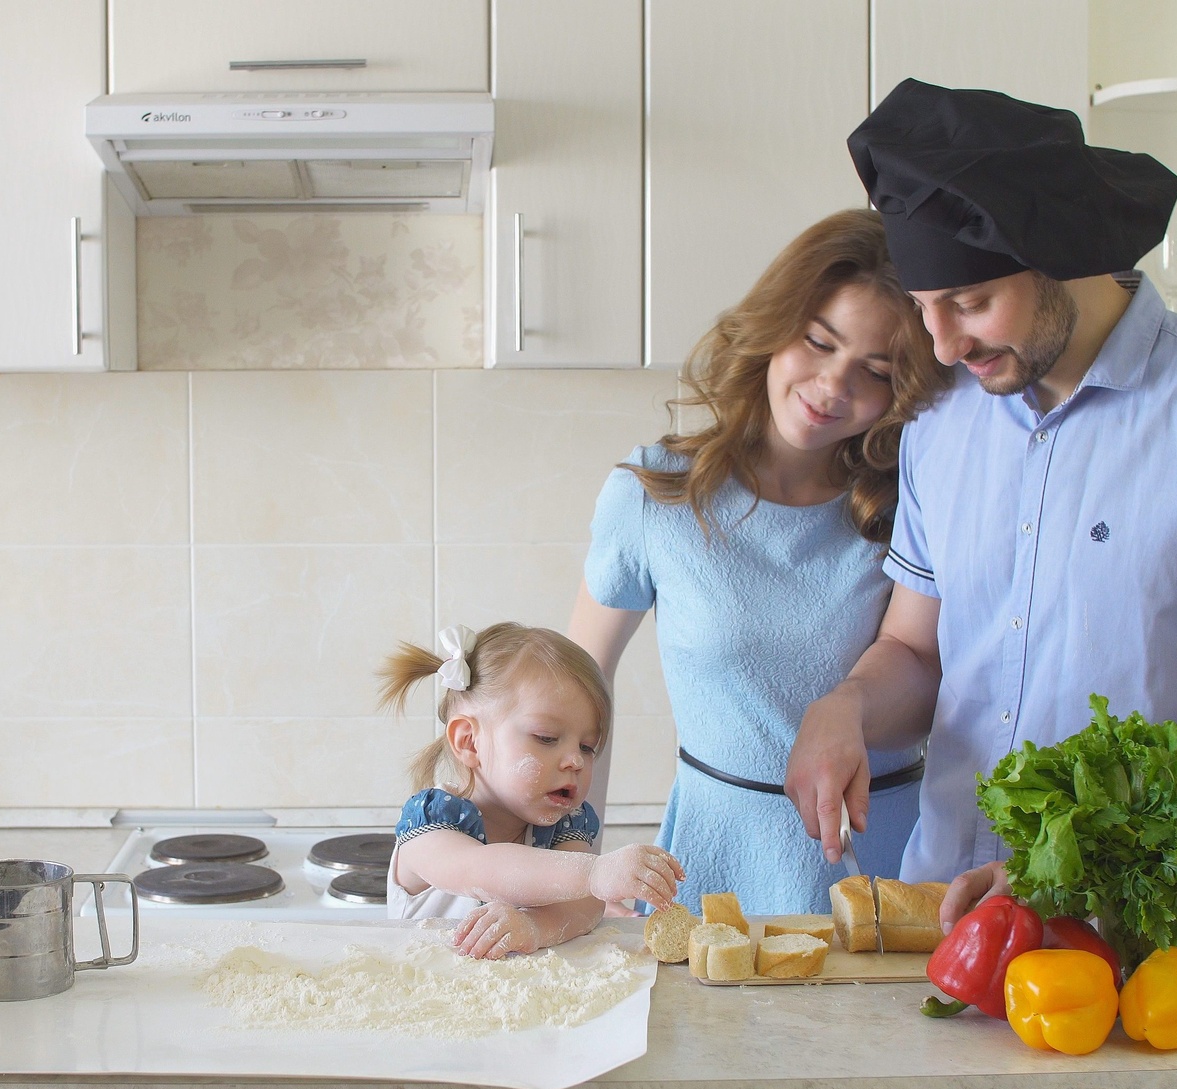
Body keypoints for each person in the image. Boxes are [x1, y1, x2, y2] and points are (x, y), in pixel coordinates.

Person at [786, 80, 1177, 929]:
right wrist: (842, 706)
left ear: (1065, 253)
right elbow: (916, 652)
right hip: (941, 922)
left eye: (970, 302)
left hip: (1148, 946)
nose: (946, 346)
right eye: (926, 310)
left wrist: (1084, 872)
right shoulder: (944, 420)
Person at [568, 209, 952, 916]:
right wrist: (571, 872)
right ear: (777, 324)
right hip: (713, 864)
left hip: (886, 867)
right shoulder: (653, 495)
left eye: (874, 370)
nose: (834, 385)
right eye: (819, 341)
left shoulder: (915, 507)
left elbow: (926, 673)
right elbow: (576, 696)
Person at [382, 622, 686, 958]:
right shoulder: (429, 826)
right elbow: (482, 869)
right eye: (546, 738)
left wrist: (534, 927)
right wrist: (596, 872)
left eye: (587, 746)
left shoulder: (561, 827)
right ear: (469, 741)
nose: (576, 761)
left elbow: (585, 904)